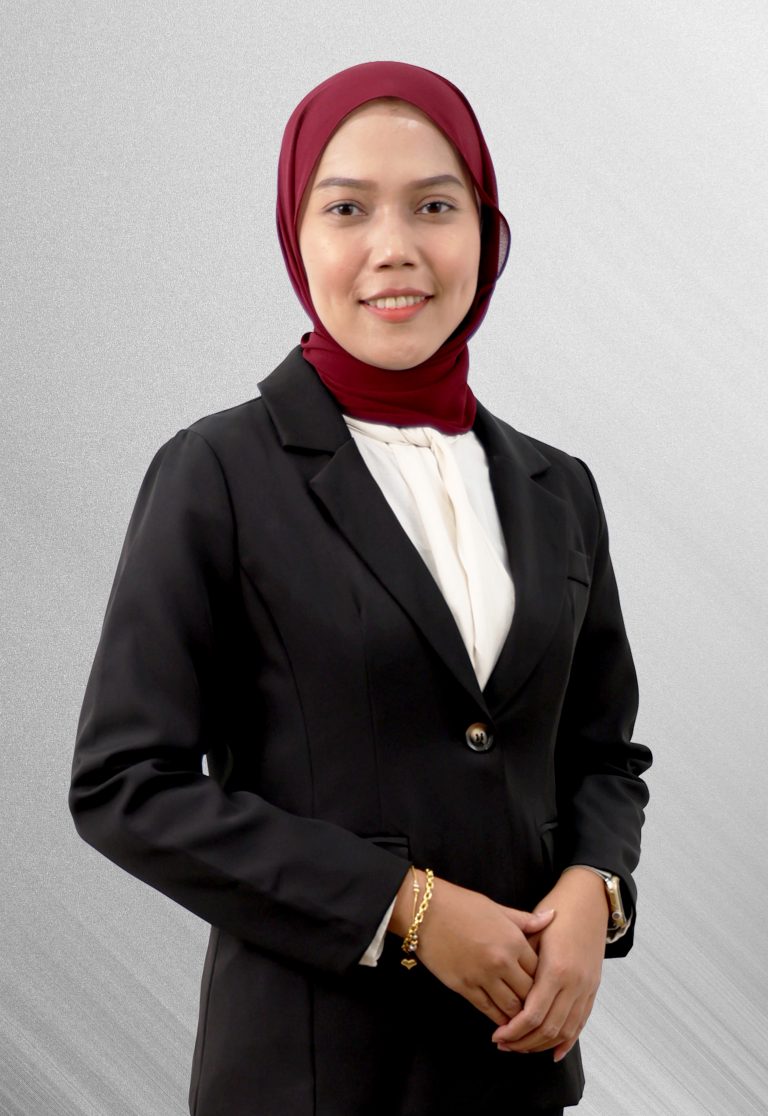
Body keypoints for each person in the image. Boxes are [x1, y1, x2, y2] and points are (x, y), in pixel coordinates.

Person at [68, 60, 652, 1116]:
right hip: (308, 1078)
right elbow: (125, 785)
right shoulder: (218, 473)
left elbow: (603, 755)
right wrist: (404, 909)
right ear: (297, 237)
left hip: (517, 1076)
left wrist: (594, 887)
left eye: (435, 205)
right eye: (347, 209)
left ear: (487, 231)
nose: (396, 247)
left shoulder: (560, 489)